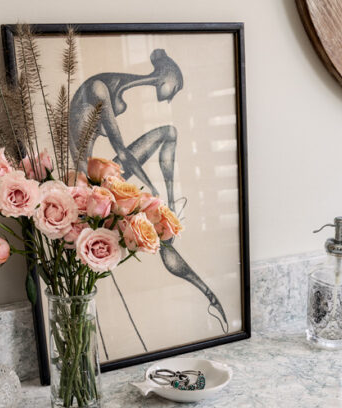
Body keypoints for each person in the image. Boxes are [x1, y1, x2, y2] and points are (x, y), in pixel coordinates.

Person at [69, 48, 229, 335]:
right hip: (89, 186)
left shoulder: (115, 88)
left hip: (100, 177)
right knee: (157, 230)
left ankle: (171, 206)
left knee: (170, 133)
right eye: (174, 86)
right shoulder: (99, 88)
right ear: (166, 77)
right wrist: (153, 191)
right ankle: (209, 294)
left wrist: (161, 198)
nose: (171, 94)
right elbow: (122, 153)